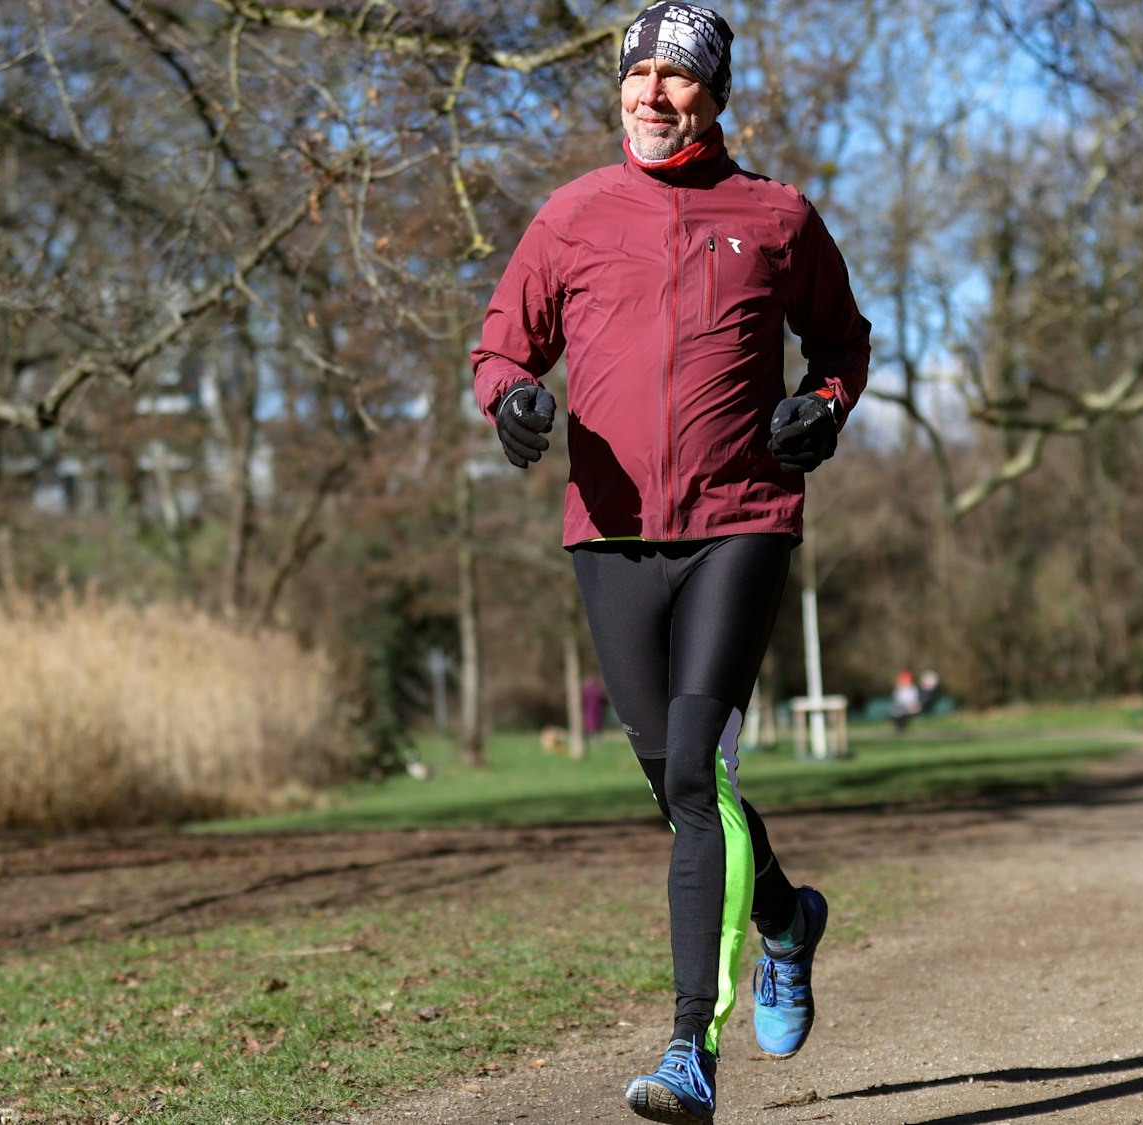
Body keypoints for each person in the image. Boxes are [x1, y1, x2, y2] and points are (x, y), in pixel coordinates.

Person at [471, 5, 872, 1121]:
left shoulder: (777, 218)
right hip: (607, 531)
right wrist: (508, 399)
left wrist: (822, 408)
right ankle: (788, 919)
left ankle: (688, 1045)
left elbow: (843, 342)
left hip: (741, 517)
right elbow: (502, 343)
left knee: (697, 764)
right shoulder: (571, 217)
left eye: (673, 76)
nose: (649, 94)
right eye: (633, 75)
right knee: (676, 782)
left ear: (714, 94)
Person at [892, 670, 921, 734]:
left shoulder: (913, 689)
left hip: (911, 707)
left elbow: (914, 700)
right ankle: (899, 730)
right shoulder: (899, 689)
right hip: (901, 707)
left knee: (902, 713)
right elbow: (897, 700)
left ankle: (901, 730)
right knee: (897, 713)